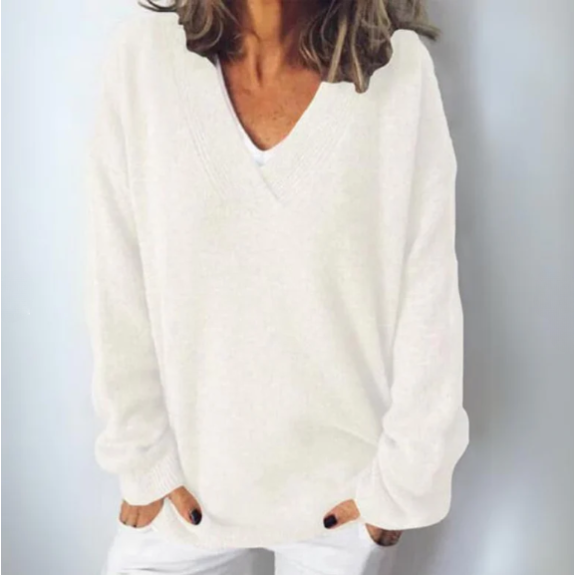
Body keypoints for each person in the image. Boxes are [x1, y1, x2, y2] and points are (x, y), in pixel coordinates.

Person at [84, 1, 470, 573]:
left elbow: (428, 289)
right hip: (182, 492)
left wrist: (403, 482)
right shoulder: (142, 63)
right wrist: (141, 460)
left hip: (344, 499)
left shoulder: (397, 71)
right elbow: (116, 279)